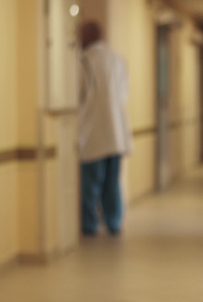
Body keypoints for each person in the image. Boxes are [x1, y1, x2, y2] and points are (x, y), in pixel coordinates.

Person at [78, 22, 133, 236]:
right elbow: (124, 94)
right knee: (112, 184)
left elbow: (77, 97)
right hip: (117, 134)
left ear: (88, 36)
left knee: (91, 185)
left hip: (93, 134)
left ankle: (89, 225)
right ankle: (114, 222)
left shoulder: (84, 62)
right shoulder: (118, 61)